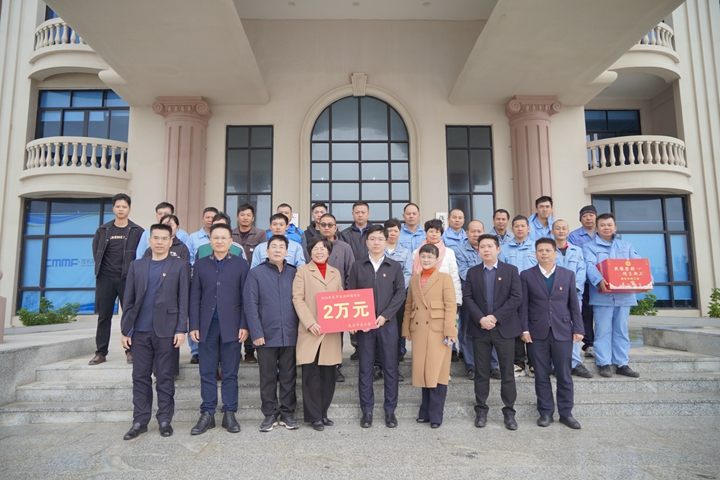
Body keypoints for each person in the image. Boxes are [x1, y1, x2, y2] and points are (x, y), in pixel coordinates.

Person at [119, 224, 190, 440]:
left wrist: (181, 329)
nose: (159, 242)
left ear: (171, 241)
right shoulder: (137, 266)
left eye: (164, 238)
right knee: (140, 377)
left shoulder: (180, 265)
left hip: (167, 331)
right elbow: (128, 300)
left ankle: (165, 420)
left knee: (165, 376)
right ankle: (140, 421)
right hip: (139, 331)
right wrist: (125, 330)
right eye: (156, 238)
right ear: (149, 241)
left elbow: (184, 299)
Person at [189, 223, 250, 435]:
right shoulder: (200, 264)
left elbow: (246, 297)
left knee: (230, 373)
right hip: (206, 326)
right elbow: (194, 296)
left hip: (232, 325)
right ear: (210, 241)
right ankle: (207, 413)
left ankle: (229, 413)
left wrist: (244, 325)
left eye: (224, 237)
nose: (220, 241)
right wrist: (194, 325)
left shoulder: (241, 264)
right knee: (207, 372)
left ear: (231, 241)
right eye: (216, 237)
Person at [520, 237, 584, 429]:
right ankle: (546, 412)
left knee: (564, 374)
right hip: (536, 332)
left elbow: (574, 304)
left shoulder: (568, 275)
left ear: (556, 253)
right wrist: (524, 329)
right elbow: (523, 306)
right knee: (541, 375)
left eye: (548, 250)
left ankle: (566, 413)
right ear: (535, 254)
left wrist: (578, 328)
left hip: (562, 331)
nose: (544, 253)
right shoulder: (526, 275)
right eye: (540, 250)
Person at [347, 225, 406, 429]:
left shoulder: (394, 266)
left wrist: (385, 315)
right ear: (366, 242)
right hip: (364, 326)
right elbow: (351, 293)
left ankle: (390, 411)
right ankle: (367, 411)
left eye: (380, 239)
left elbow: (400, 293)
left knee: (390, 367)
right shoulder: (357, 266)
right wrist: (354, 321)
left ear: (386, 241)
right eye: (372, 239)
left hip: (388, 324)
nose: (376, 242)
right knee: (365, 368)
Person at [463, 234, 522, 431]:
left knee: (507, 372)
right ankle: (481, 410)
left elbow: (516, 297)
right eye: (482, 247)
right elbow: (468, 298)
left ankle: (509, 413)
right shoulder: (472, 272)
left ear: (498, 249)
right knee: (481, 372)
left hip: (504, 328)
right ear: (478, 250)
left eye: (490, 246)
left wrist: (495, 317)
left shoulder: (510, 270)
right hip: (480, 329)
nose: (486, 250)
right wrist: (481, 318)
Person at [244, 235, 300, 432]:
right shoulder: (256, 274)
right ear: (266, 251)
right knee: (267, 376)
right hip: (265, 335)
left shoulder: (294, 273)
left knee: (288, 376)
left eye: (281, 247)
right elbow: (250, 305)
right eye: (273, 247)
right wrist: (256, 332)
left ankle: (287, 413)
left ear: (287, 252)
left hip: (290, 333)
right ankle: (269, 414)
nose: (277, 250)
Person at [402, 243, 458, 428]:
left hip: (438, 330)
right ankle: (424, 411)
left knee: (437, 372)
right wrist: (406, 329)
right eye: (423, 257)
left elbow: (450, 305)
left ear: (437, 259)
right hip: (419, 330)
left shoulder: (444, 278)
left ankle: (436, 415)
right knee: (422, 371)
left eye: (430, 257)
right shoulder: (414, 280)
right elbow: (409, 305)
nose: (426, 260)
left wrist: (450, 330)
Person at [292, 237, 343, 431]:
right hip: (311, 330)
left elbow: (341, 298)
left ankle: (323, 413)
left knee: (328, 375)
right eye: (315, 249)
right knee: (311, 375)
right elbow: (298, 298)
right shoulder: (302, 271)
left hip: (330, 332)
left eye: (323, 248)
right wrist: (309, 322)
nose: (319, 252)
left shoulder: (335, 273)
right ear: (310, 252)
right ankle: (314, 417)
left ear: (329, 252)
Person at [583, 213, 643, 379]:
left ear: (615, 227)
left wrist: (647, 281)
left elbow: (639, 265)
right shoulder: (589, 247)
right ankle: (604, 363)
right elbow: (589, 265)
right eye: (602, 225)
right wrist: (599, 279)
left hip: (624, 296)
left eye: (609, 225)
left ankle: (622, 363)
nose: (606, 228)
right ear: (596, 228)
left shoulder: (626, 246)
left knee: (621, 330)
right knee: (602, 330)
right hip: (602, 296)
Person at [89, 193, 144, 366]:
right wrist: (103, 271)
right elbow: (96, 252)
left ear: (129, 209)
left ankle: (130, 351)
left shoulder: (137, 231)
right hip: (105, 278)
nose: (121, 209)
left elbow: (141, 255)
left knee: (129, 314)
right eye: (118, 206)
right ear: (113, 208)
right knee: (104, 316)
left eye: (124, 206)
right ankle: (101, 352)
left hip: (127, 278)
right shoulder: (103, 230)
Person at [454, 220, 500, 380]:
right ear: (466, 233)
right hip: (470, 296)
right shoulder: (459, 251)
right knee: (468, 330)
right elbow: (464, 273)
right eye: (472, 231)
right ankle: (471, 365)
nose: (476, 234)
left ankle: (493, 365)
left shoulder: (491, 249)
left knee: (492, 328)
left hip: (492, 295)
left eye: (479, 231)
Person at [315, 212, 355, 382]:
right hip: (315, 298)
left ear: (336, 228)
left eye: (330, 225)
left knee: (335, 337)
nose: (326, 227)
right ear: (318, 226)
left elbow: (350, 274)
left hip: (337, 299)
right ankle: (317, 367)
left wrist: (347, 297)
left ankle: (336, 367)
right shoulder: (312, 246)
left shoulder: (344, 248)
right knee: (316, 334)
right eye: (323, 224)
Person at [551, 220, 592, 378]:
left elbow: (582, 271)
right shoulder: (548, 250)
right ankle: (556, 364)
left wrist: (573, 290)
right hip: (553, 298)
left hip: (574, 295)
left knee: (575, 328)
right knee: (555, 329)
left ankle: (575, 363)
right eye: (557, 228)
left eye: (564, 228)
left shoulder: (577, 251)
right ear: (552, 231)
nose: (561, 231)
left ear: (568, 231)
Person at [499, 214, 538, 377]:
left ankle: (534, 364)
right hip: (512, 294)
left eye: (523, 226)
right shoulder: (504, 249)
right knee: (515, 327)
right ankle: (519, 363)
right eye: (517, 226)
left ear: (528, 228)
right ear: (512, 229)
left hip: (534, 294)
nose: (520, 229)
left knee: (533, 327)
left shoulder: (536, 247)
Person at [338, 202, 372, 360]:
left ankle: (372, 347)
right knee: (355, 312)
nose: (360, 215)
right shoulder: (345, 234)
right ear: (352, 214)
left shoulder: (374, 231)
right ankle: (357, 347)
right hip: (353, 276)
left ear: (368, 214)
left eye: (363, 212)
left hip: (372, 275)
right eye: (357, 212)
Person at [567, 205, 598, 359]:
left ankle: (602, 344)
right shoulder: (573, 236)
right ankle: (589, 344)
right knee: (586, 313)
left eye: (591, 215)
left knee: (601, 314)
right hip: (584, 281)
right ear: (580, 219)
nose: (588, 218)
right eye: (585, 216)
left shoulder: (604, 234)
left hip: (602, 282)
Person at [384, 218, 413, 366]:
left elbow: (408, 273)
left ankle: (399, 353)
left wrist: (397, 289)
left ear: (400, 232)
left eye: (395, 230)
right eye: (389, 230)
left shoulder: (405, 252)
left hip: (399, 296)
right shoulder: (378, 250)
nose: (392, 233)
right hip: (380, 296)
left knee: (399, 324)